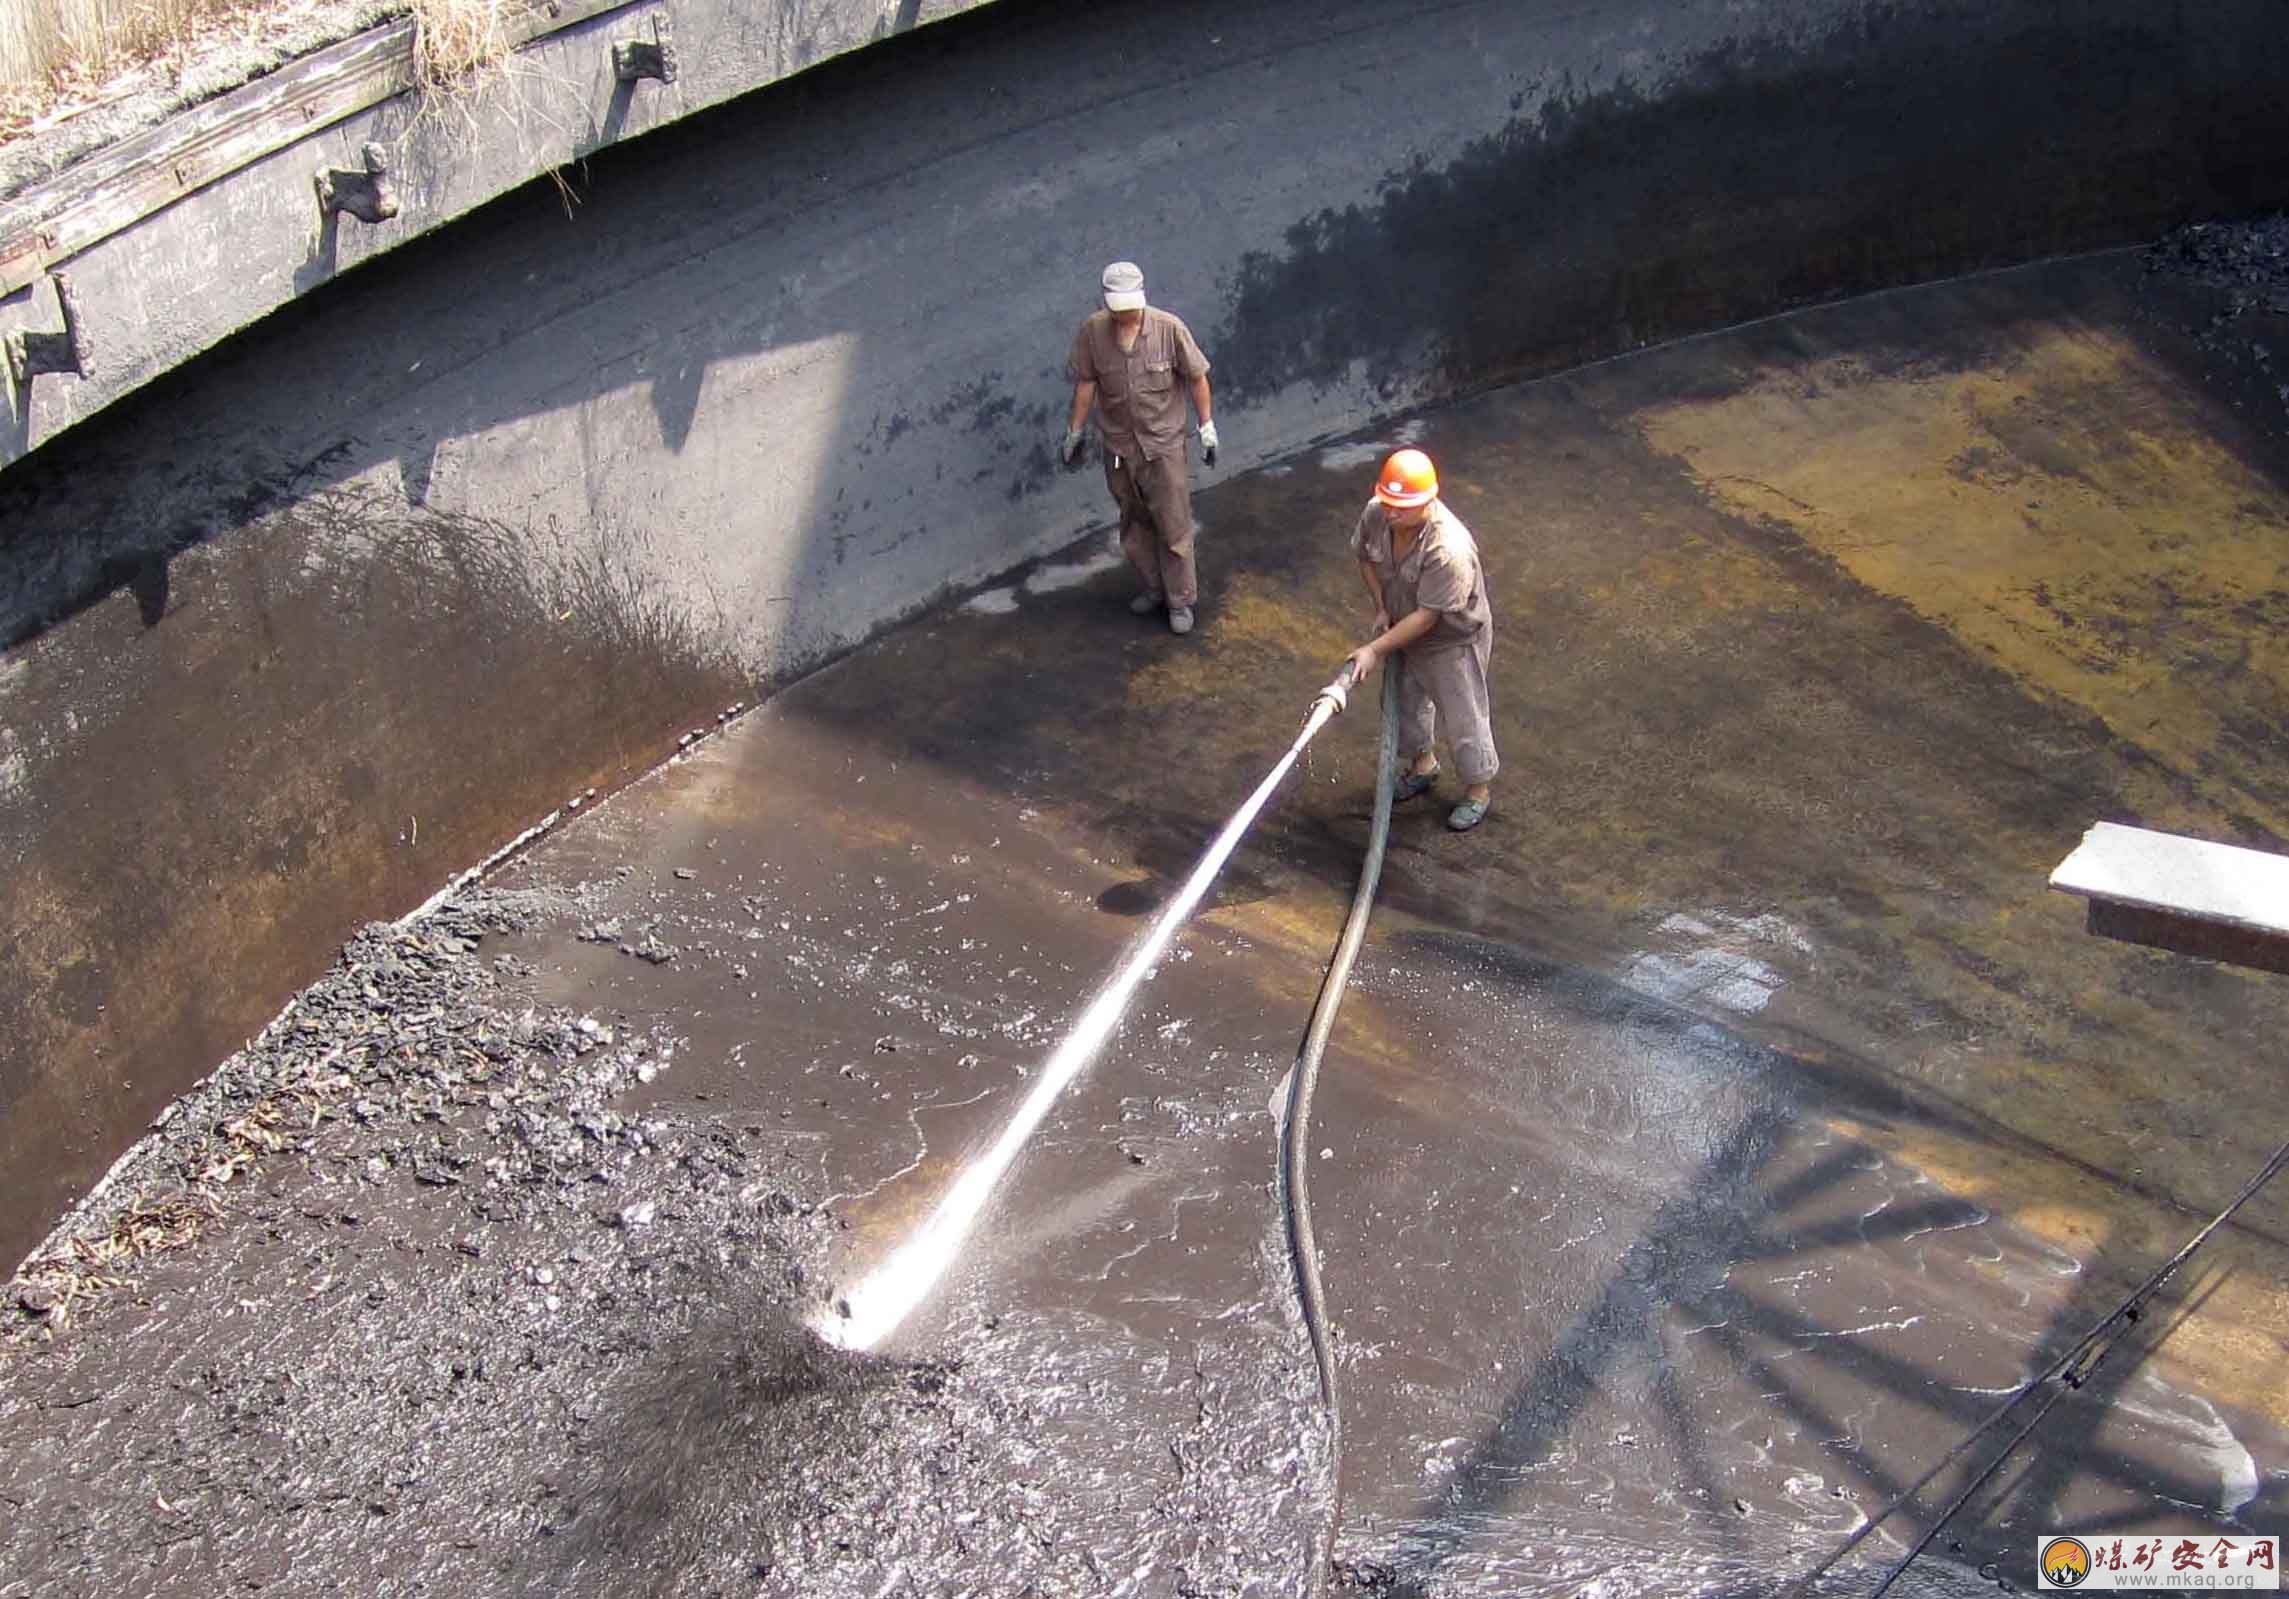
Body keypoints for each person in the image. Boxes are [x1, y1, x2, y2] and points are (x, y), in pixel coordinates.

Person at [1343, 448, 1498, 831]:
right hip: (1402, 625)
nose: (1392, 513)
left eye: (1402, 507)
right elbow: (1365, 557)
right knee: (1403, 704)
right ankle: (1422, 766)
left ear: (1428, 502)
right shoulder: (1378, 512)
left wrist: (1374, 649)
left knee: (1463, 716)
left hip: (1450, 640)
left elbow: (1429, 618)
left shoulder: (1449, 550)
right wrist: (1381, 607)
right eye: (1389, 503)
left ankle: (1478, 790)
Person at [1062, 261, 1218, 635]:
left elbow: (1197, 378)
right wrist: (1075, 433)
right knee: (1134, 520)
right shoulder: (1093, 333)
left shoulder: (1169, 329)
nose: (1125, 313)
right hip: (1119, 447)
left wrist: (1207, 425)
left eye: (1131, 304)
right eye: (1118, 306)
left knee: (1173, 523)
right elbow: (1085, 384)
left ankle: (1180, 601)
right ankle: (1154, 588)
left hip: (1162, 448)